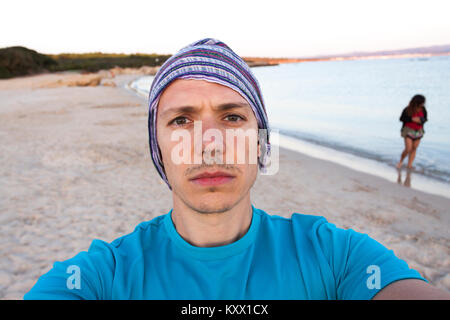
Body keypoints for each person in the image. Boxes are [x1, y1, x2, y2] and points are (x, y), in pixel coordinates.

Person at [24, 39, 449, 300]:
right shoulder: (104, 275)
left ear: (261, 143)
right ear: (158, 146)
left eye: (232, 118)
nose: (210, 143)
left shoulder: (334, 256)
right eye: (180, 120)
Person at [396, 95, 428, 170]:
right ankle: (400, 161)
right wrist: (412, 119)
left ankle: (409, 165)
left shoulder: (423, 109)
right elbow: (401, 118)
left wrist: (421, 120)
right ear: (417, 102)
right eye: (422, 103)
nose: (423, 104)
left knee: (414, 148)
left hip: (419, 131)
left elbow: (425, 119)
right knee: (408, 148)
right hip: (408, 130)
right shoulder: (407, 109)